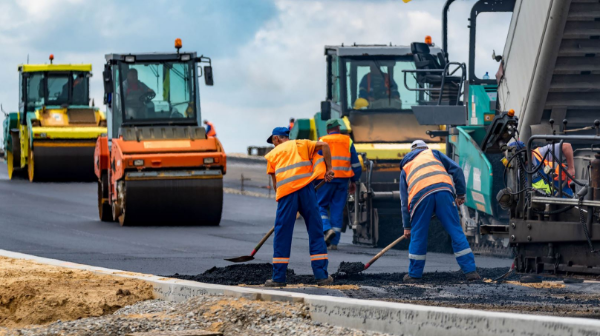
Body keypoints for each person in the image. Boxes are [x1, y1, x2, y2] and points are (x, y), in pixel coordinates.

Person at [263, 127, 335, 287]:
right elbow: (324, 146)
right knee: (316, 231)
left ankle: (279, 278)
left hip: (287, 194)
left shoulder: (273, 155)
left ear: (276, 139)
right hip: (307, 191)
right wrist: (329, 168)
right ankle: (322, 276)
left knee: (282, 234)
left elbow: (275, 185)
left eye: (273, 142)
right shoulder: (302, 144)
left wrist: (285, 207)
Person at [400, 140, 479, 282]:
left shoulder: (406, 166)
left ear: (411, 152)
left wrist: (407, 226)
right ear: (425, 148)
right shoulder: (434, 154)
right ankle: (471, 272)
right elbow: (457, 170)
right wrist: (460, 194)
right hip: (444, 192)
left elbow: (404, 200)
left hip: (420, 197)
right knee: (456, 231)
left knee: (418, 235)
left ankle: (414, 275)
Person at [316, 119, 362, 250]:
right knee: (337, 210)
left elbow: (317, 161)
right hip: (343, 180)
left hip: (325, 179)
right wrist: (354, 180)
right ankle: (334, 243)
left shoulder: (321, 140)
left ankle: (326, 229)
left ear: (327, 129)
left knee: (319, 205)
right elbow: (356, 164)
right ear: (338, 128)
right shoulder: (347, 141)